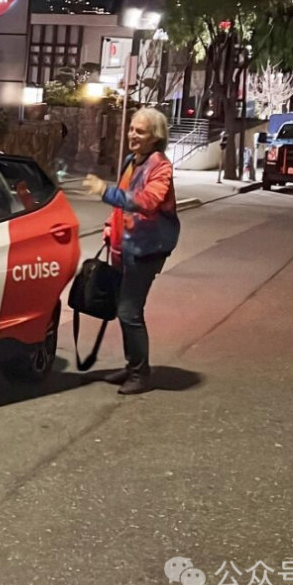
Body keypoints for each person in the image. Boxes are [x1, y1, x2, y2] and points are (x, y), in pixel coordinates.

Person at [83, 108, 180, 395]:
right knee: (126, 310)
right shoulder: (131, 160)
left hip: (145, 249)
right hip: (123, 244)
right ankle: (133, 366)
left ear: (155, 137)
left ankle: (140, 373)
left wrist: (105, 191)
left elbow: (147, 202)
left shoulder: (160, 166)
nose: (132, 135)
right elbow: (123, 202)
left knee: (129, 311)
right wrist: (108, 225)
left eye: (140, 131)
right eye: (132, 129)